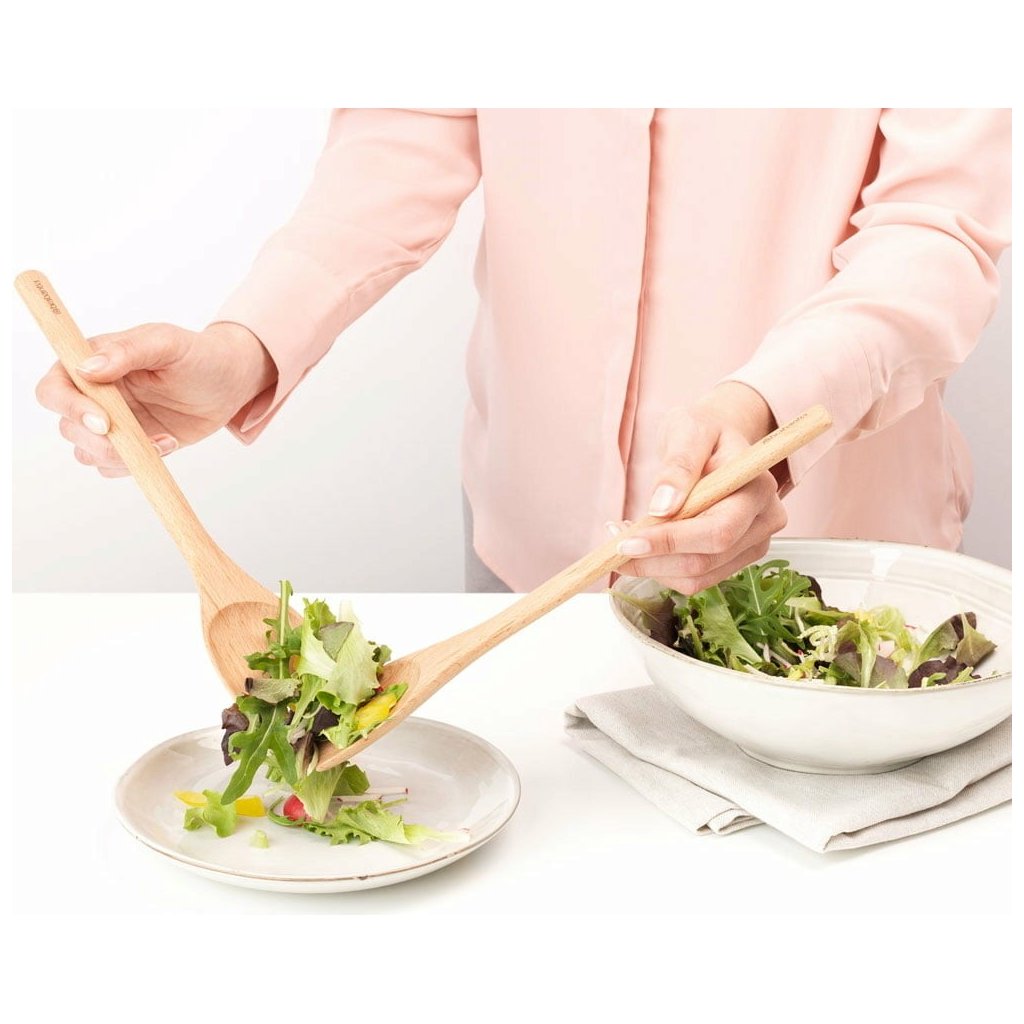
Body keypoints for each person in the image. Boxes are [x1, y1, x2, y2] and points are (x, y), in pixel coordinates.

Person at [35, 109, 1011, 594]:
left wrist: (771, 411)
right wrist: (249, 344)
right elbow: (406, 130)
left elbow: (938, 230)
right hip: (528, 535)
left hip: (831, 552)